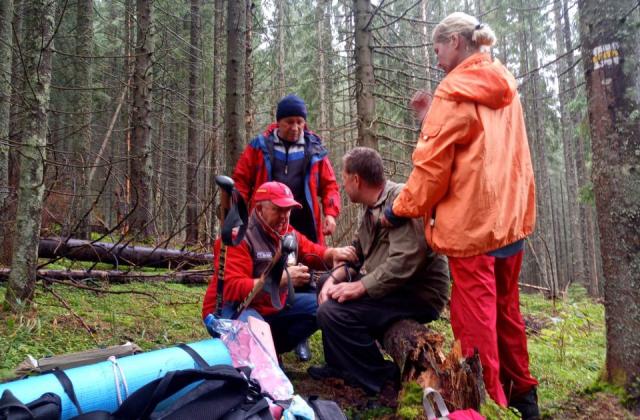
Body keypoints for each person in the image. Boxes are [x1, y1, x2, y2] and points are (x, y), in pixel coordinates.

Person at [381, 12, 540, 419]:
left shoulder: (454, 91)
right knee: (506, 313)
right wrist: (429, 117)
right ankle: (523, 398)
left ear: (454, 41)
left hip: (473, 232)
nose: (436, 61)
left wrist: (397, 209)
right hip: (509, 223)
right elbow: (477, 146)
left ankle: (486, 408)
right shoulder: (502, 81)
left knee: (474, 325)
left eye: (437, 49)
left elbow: (432, 172)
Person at [307, 147, 450, 396]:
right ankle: (339, 365)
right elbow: (356, 252)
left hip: (416, 293)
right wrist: (333, 278)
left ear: (356, 180)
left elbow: (406, 261)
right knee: (324, 289)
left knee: (333, 311)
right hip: (392, 287)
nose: (342, 185)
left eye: (344, 178)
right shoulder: (371, 207)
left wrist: (360, 286)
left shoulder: (400, 200)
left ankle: (383, 380)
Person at [233, 94, 341, 360]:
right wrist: (239, 217)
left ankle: (299, 337)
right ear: (278, 122)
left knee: (304, 275)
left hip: (304, 220)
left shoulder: (314, 148)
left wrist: (331, 212)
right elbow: (241, 180)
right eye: (290, 122)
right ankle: (264, 329)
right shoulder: (260, 146)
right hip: (267, 221)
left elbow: (330, 185)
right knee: (271, 271)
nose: (295, 128)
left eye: (300, 122)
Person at [202, 181, 357, 358]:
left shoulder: (287, 233)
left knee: (324, 306)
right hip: (233, 310)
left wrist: (332, 254)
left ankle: (271, 349)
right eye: (278, 209)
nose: (285, 216)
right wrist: (279, 279)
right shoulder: (239, 238)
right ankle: (261, 355)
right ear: (259, 209)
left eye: (288, 210)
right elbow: (232, 288)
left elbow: (311, 251)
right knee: (262, 372)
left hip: (270, 310)